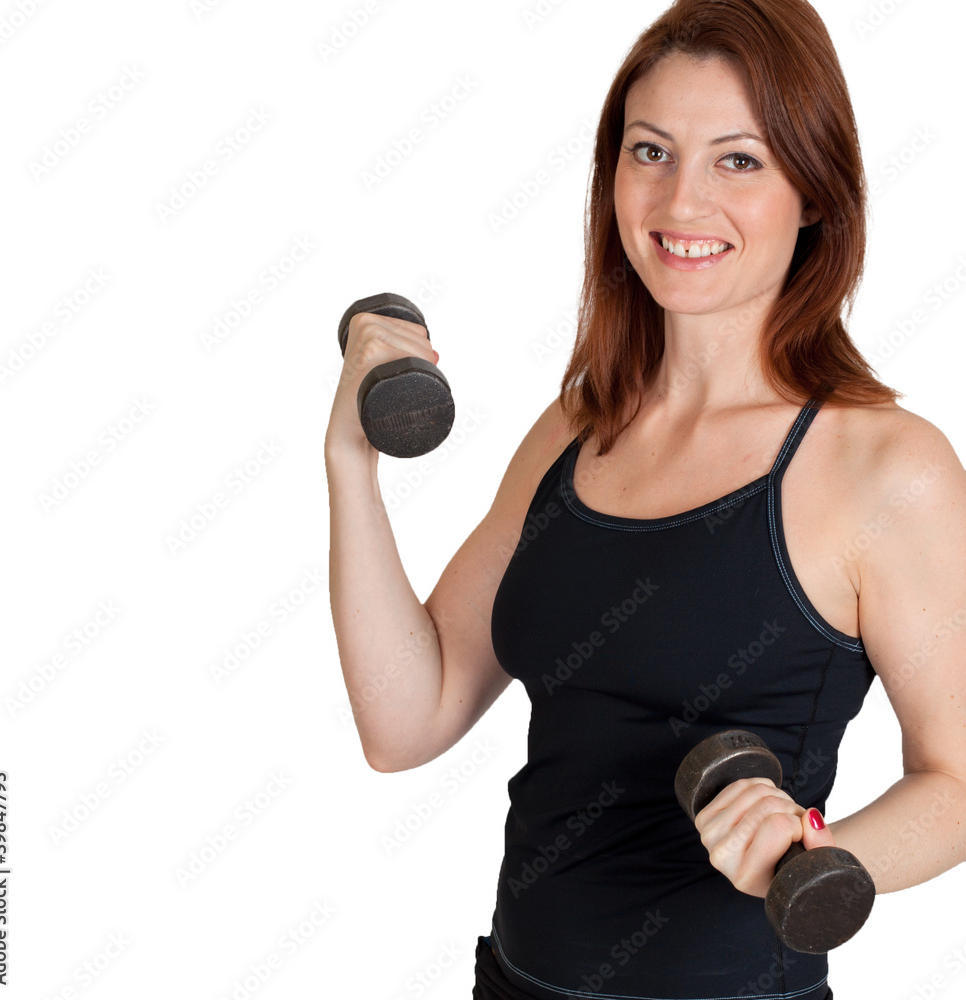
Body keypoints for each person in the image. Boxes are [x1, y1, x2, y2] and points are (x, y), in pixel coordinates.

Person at [325, 0, 966, 997]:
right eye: (650, 151)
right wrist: (347, 466)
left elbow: (958, 782)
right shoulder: (577, 426)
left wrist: (813, 855)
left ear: (812, 191)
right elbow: (406, 721)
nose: (680, 200)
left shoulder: (886, 469)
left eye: (737, 160)